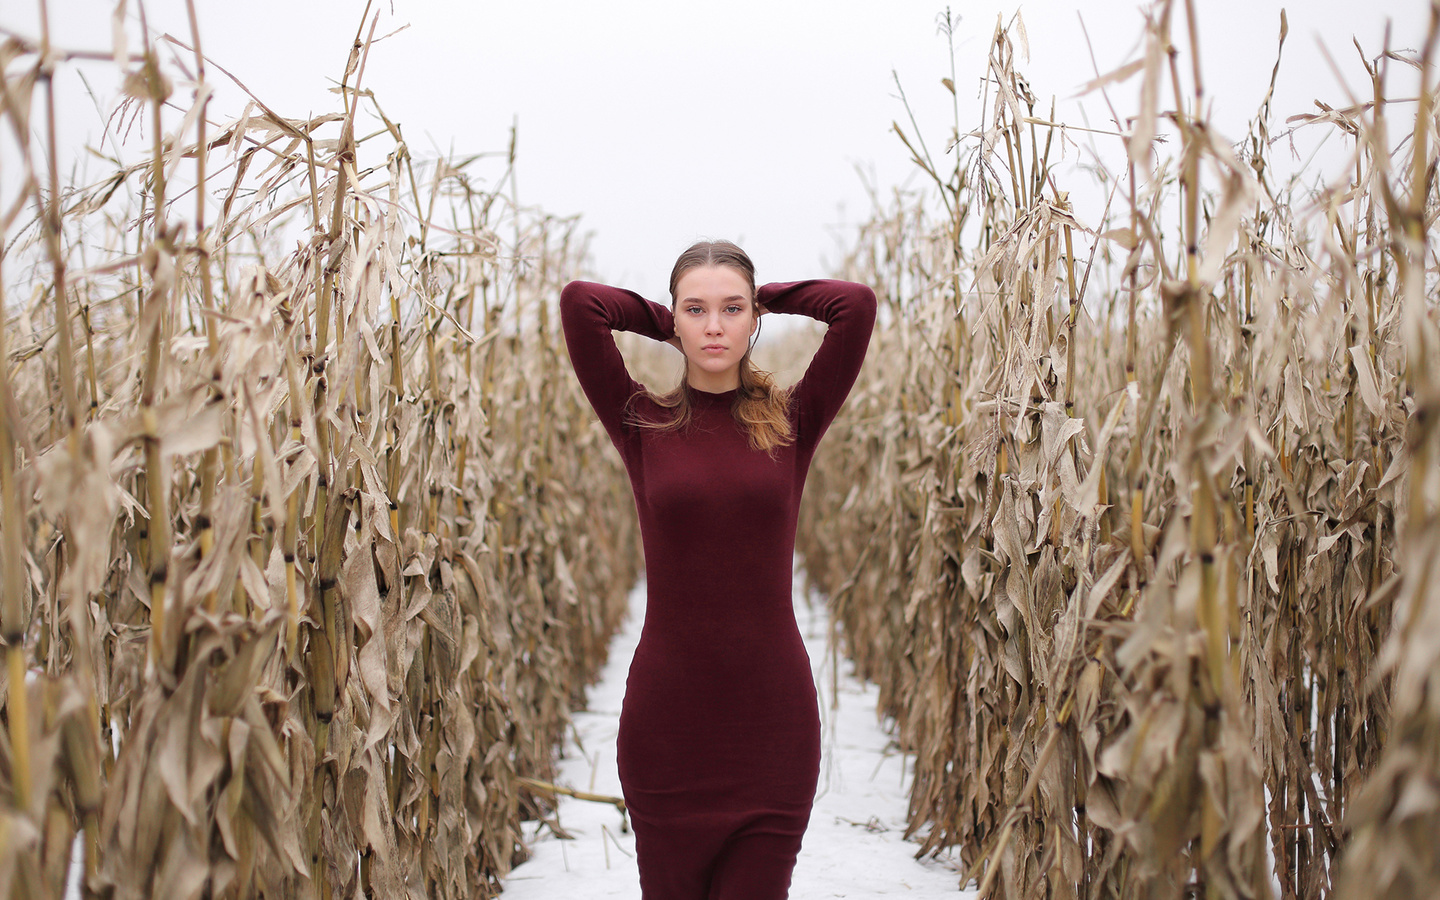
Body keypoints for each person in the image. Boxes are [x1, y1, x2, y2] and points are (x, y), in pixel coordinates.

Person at [558, 239, 876, 899]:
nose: (713, 325)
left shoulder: (792, 421)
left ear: (753, 317)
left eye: (732, 309)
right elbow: (580, 305)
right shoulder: (640, 421)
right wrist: (665, 321)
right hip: (667, 732)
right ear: (675, 319)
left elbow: (855, 307)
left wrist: (770, 296)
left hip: (771, 731)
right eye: (695, 310)